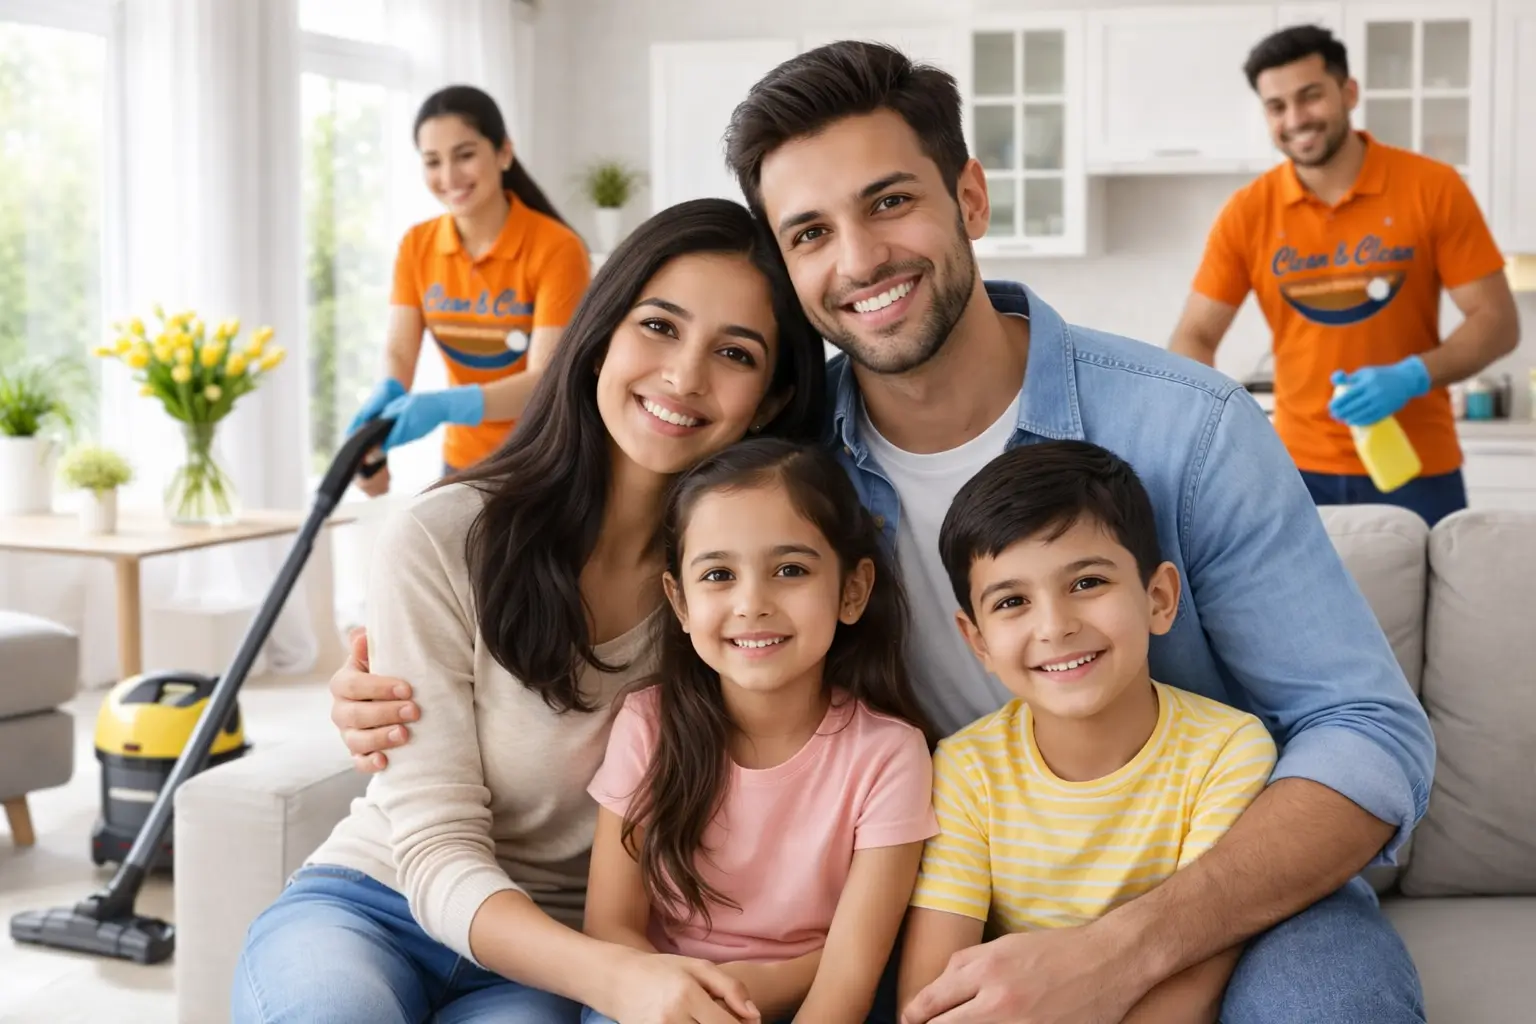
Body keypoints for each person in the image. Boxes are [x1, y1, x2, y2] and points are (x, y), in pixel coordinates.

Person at [331, 41, 1435, 1023]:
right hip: (938, 894)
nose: (858, 260)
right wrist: (398, 678)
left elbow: (1368, 733)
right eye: (810, 231)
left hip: (1208, 884)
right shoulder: (781, 471)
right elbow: (663, 621)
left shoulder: (1185, 428)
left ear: (969, 194)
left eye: (890, 202)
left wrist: (1126, 947)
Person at [231, 197, 829, 1024]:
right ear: (600, 339)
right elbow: (434, 842)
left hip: (552, 956)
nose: (685, 376)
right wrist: (619, 979)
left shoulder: (749, 595)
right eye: (658, 327)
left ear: (768, 400)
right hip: (377, 901)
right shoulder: (445, 538)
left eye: (734, 352)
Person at [898, 440, 1277, 1023]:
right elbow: (929, 995)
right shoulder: (966, 769)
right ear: (978, 642)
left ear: (1158, 598)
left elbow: (1196, 984)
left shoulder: (1226, 751)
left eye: (1086, 583)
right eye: (1012, 601)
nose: (1055, 626)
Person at [581, 438, 937, 1024]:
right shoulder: (648, 725)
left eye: (790, 570)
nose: (752, 603)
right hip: (654, 1003)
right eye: (719, 574)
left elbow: (848, 982)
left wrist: (761, 987)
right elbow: (611, 928)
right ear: (681, 602)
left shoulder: (889, 755)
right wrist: (689, 1002)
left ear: (852, 590)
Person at [1169, 25, 1519, 526]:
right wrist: (1219, 423)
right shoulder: (1248, 212)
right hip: (1294, 471)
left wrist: (1413, 375)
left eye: (1310, 96)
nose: (1296, 119)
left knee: (1421, 608)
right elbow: (1195, 334)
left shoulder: (1432, 188)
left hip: (1418, 467)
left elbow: (1498, 322)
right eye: (1277, 106)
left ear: (1348, 92)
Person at [349, 84, 592, 494]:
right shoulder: (417, 245)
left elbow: (546, 382)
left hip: (543, 465)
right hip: (461, 466)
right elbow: (400, 351)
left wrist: (445, 404)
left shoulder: (556, 249)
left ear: (503, 153)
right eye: (432, 161)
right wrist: (383, 407)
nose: (448, 177)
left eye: (464, 155)